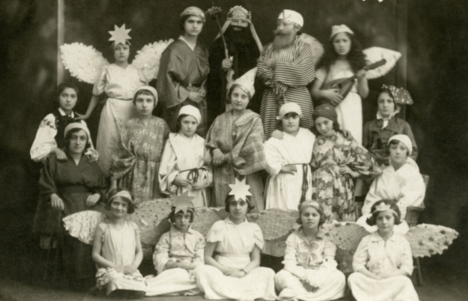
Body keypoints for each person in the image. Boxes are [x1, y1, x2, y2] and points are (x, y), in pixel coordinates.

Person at [38, 123, 107, 290]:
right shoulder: (56, 159)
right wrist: (53, 194)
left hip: (88, 203)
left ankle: (93, 277)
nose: (78, 142)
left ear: (86, 142)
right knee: (69, 230)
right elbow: (46, 181)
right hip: (65, 201)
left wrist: (98, 194)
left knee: (101, 226)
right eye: (74, 138)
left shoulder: (90, 162)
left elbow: (102, 185)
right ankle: (72, 280)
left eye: (82, 138)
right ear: (68, 140)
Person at [193, 179, 277, 300]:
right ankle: (243, 292)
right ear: (228, 206)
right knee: (202, 270)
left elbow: (256, 260)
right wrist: (226, 270)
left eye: (242, 203)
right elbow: (207, 257)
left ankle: (229, 293)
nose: (237, 208)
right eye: (233, 203)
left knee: (268, 273)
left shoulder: (254, 229)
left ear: (248, 206)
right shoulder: (219, 226)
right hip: (222, 270)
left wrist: (243, 272)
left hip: (246, 271)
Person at [79, 24, 146, 175]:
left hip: (132, 110)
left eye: (124, 48)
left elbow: (146, 95)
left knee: (130, 145)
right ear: (113, 52)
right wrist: (87, 114)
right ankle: (107, 182)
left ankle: (129, 181)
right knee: (110, 144)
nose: (121, 52)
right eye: (117, 48)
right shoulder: (107, 70)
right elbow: (96, 93)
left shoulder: (137, 71)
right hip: (112, 110)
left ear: (130, 50)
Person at [205, 68, 266, 211]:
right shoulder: (220, 119)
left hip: (246, 172)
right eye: (235, 95)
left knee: (248, 208)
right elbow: (211, 140)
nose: (238, 99)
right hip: (223, 173)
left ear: (249, 100)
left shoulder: (255, 120)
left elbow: (252, 147)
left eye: (243, 96)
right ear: (230, 96)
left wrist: (227, 156)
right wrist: (215, 150)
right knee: (223, 208)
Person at [310, 104, 379, 222]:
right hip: (319, 187)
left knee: (340, 223)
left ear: (333, 121)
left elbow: (369, 161)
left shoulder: (345, 139)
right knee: (321, 218)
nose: (323, 127)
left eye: (326, 122)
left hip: (341, 186)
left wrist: (354, 173)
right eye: (318, 124)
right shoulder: (312, 139)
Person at [257, 9, 316, 139]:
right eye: (278, 24)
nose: (280, 28)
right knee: (272, 137)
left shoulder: (304, 47)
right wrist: (277, 83)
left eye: (285, 24)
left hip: (297, 97)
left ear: (297, 27)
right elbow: (261, 70)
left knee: (301, 136)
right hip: (272, 98)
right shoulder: (269, 48)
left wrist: (275, 64)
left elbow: (303, 72)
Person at [348, 200, 419, 301]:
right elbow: (358, 264)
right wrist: (372, 276)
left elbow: (407, 268)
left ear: (395, 219)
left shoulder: (402, 241)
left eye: (388, 218)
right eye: (379, 218)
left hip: (392, 279)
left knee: (405, 281)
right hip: (371, 280)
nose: (384, 222)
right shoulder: (367, 240)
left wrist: (387, 276)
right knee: (353, 277)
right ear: (375, 221)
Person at [275, 201, 346, 301]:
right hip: (298, 275)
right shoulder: (293, 237)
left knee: (339, 277)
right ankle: (317, 298)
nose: (310, 218)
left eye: (314, 215)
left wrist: (317, 280)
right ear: (300, 217)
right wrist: (305, 278)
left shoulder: (328, 237)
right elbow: (289, 261)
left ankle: (298, 296)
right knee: (280, 276)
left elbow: (329, 261)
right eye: (306, 214)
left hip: (320, 275)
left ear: (320, 217)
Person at [109, 86, 170, 204]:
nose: (144, 104)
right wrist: (114, 182)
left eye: (148, 100)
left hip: (155, 173)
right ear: (134, 103)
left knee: (153, 208)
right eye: (140, 100)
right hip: (133, 173)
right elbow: (119, 155)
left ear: (155, 103)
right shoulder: (129, 125)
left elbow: (169, 151)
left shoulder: (162, 124)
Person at [156, 7, 210, 137]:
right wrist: (187, 94)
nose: (195, 25)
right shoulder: (172, 50)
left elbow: (206, 76)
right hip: (179, 100)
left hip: (199, 99)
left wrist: (203, 88)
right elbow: (164, 80)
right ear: (183, 24)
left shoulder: (202, 50)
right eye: (190, 21)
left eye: (199, 22)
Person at [311, 24, 368, 144]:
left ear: (351, 42)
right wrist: (326, 94)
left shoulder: (358, 66)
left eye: (345, 40)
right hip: (334, 106)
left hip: (353, 107)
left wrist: (362, 78)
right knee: (335, 139)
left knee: (352, 138)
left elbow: (364, 94)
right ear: (332, 44)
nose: (341, 44)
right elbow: (314, 91)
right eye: (337, 41)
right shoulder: (328, 65)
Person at [206, 5, 263, 123]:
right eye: (235, 22)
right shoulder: (219, 44)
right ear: (229, 23)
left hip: (247, 91)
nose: (239, 25)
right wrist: (221, 66)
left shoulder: (254, 46)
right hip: (224, 89)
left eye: (243, 22)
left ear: (248, 24)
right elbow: (208, 69)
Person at [91, 189, 146, 298]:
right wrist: (114, 266)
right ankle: (113, 287)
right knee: (115, 281)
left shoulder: (133, 227)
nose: (119, 208)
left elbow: (139, 251)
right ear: (109, 204)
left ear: (128, 208)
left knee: (141, 286)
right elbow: (95, 255)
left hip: (129, 270)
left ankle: (126, 288)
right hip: (110, 269)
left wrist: (134, 266)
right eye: (116, 203)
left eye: (123, 205)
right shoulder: (103, 227)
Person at [146, 196, 205, 296]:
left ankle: (178, 287)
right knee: (178, 274)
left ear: (191, 218)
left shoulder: (197, 237)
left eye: (186, 217)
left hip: (191, 269)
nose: (183, 220)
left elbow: (200, 260)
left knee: (203, 276)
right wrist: (173, 265)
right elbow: (159, 257)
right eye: (179, 216)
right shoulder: (166, 237)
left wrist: (187, 266)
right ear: (173, 218)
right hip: (172, 268)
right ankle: (183, 286)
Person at [362, 134, 425, 220]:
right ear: (389, 150)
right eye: (394, 148)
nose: (397, 152)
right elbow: (373, 196)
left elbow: (409, 200)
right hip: (378, 215)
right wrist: (373, 213)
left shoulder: (413, 175)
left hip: (397, 217)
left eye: (402, 148)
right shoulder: (384, 172)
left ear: (407, 152)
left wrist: (390, 212)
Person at [264, 102, 315, 210]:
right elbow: (265, 155)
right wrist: (279, 167)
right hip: (285, 180)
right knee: (285, 207)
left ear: (299, 118)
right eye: (286, 117)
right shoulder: (275, 139)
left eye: (294, 116)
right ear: (281, 120)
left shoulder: (308, 135)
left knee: (303, 209)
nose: (290, 121)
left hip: (304, 177)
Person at [159, 105, 212, 207]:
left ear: (198, 124)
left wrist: (205, 181)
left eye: (193, 123)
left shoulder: (203, 142)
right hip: (181, 187)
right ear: (179, 122)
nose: (189, 126)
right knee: (182, 215)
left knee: (198, 216)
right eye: (186, 122)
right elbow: (164, 169)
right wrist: (174, 179)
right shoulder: (172, 141)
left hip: (198, 188)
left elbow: (208, 167)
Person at [31, 82, 94, 163]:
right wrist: (55, 149)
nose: (68, 100)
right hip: (57, 163)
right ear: (58, 97)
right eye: (64, 95)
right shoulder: (50, 119)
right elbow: (37, 149)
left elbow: (90, 148)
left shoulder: (80, 121)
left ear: (77, 99)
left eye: (73, 96)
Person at [363, 85, 418, 164]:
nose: (385, 105)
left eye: (389, 101)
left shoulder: (404, 125)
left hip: (397, 168)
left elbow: (413, 151)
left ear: (395, 104)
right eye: (381, 101)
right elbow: (363, 150)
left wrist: (402, 166)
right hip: (374, 167)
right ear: (377, 104)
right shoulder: (368, 126)